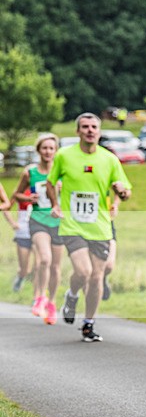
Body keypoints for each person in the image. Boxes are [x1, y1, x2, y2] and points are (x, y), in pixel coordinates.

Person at [47, 112, 132, 342]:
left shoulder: (109, 159)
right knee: (83, 271)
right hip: (72, 225)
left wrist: (122, 192)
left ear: (100, 131)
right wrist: (55, 204)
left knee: (96, 277)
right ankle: (73, 294)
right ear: (78, 131)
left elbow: (125, 189)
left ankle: (89, 322)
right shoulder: (64, 156)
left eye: (94, 127)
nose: (90, 130)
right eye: (85, 127)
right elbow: (50, 182)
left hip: (100, 227)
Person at [12, 133, 64, 324]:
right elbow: (16, 194)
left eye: (51, 148)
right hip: (37, 219)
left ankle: (51, 302)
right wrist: (28, 198)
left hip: (58, 222)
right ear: (38, 150)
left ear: (55, 151)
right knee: (44, 259)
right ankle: (40, 296)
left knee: (56, 266)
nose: (48, 152)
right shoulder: (30, 172)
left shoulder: (62, 173)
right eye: (44, 148)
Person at [4, 188, 33, 293]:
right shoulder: (20, 191)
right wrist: (13, 223)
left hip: (40, 232)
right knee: (25, 269)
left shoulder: (44, 186)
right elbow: (6, 207)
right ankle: (20, 278)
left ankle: (38, 296)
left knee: (41, 263)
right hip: (23, 233)